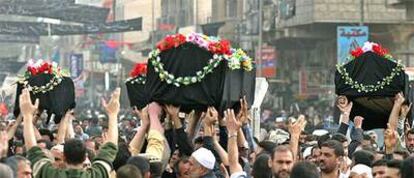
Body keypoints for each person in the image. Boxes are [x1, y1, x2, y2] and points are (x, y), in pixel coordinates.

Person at [20, 88, 120, 178]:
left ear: (63, 157)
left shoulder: (50, 174)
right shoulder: (96, 174)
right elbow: (110, 147)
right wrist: (113, 114)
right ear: (85, 157)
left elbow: (33, 151)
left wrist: (27, 116)